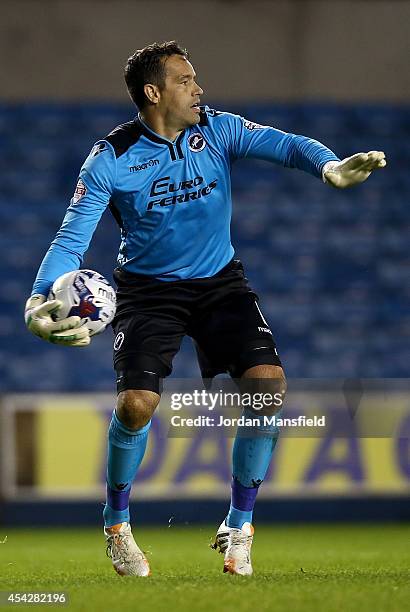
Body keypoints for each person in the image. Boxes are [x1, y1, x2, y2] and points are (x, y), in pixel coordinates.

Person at [25, 41, 386, 577]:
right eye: (186, 81)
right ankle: (117, 524)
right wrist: (39, 295)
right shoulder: (111, 159)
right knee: (136, 407)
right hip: (148, 291)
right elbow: (71, 240)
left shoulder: (216, 129)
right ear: (154, 93)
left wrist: (327, 166)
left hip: (221, 282)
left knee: (268, 384)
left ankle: (239, 526)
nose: (200, 89)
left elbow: (285, 144)